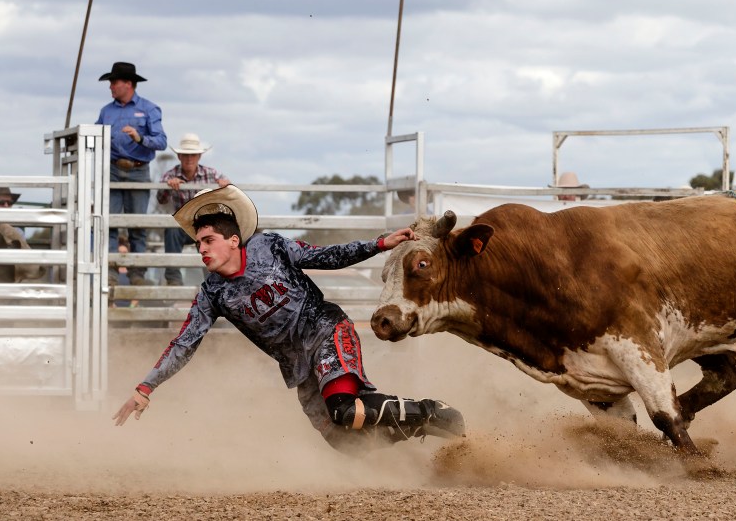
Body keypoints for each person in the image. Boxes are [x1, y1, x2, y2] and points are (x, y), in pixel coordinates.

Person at [112, 185, 465, 449]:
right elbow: (184, 343)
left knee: (344, 410)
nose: (202, 249)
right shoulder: (213, 293)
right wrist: (146, 387)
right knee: (348, 444)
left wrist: (379, 244)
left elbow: (325, 255)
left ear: (233, 240)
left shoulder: (271, 247)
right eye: (198, 244)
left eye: (208, 240)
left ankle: (433, 411)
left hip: (326, 330)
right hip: (298, 364)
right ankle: (419, 433)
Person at [95, 61, 167, 283]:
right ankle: (110, 272)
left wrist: (139, 138)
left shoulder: (149, 109)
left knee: (137, 225)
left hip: (137, 170)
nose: (111, 87)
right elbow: (95, 136)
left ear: (128, 84)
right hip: (113, 169)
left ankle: (137, 273)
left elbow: (161, 141)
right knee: (111, 223)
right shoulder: (106, 112)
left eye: (114, 82)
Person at [155, 133, 231, 287]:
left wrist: (225, 185)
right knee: (172, 229)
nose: (189, 159)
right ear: (179, 157)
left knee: (213, 235)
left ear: (199, 157)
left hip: (206, 224)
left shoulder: (211, 174)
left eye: (193, 155)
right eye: (185, 155)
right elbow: (160, 199)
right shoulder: (171, 175)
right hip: (183, 225)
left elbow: (229, 191)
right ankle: (173, 279)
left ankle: (214, 280)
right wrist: (169, 187)